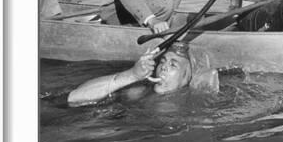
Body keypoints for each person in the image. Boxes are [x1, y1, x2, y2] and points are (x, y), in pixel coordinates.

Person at [67, 42, 218, 107]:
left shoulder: (194, 105)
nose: (163, 67)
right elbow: (74, 98)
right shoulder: (138, 92)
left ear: (187, 77)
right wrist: (132, 75)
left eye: (173, 65)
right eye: (163, 61)